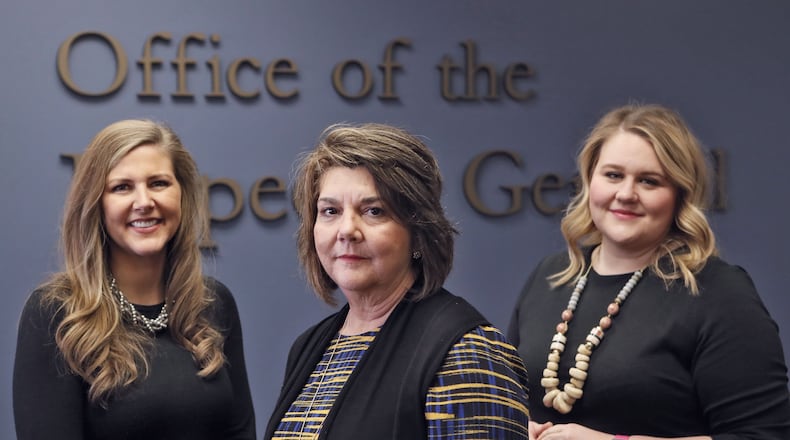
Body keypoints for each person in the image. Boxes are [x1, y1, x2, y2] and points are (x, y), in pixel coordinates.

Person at [508, 103, 790, 439]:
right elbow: (511, 399)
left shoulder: (719, 292)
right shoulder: (553, 275)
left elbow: (764, 435)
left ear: (679, 195)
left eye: (649, 181)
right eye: (613, 175)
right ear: (588, 181)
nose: (626, 194)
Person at [264, 123, 531, 439]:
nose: (347, 230)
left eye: (374, 211)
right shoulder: (309, 346)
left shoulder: (466, 352)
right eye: (331, 211)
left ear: (418, 232)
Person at [13, 119, 256, 439]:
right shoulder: (56, 312)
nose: (144, 202)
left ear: (181, 193)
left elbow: (239, 432)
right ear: (95, 204)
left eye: (158, 183)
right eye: (122, 187)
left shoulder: (213, 303)